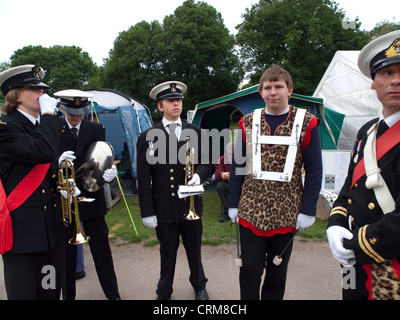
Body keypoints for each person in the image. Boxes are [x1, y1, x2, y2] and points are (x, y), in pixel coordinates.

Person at [228, 65, 323, 300]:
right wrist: (232, 203)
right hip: (251, 210)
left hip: (287, 211)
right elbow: (238, 166)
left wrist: (308, 209)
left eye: (278, 86)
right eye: (267, 87)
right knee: (249, 270)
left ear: (289, 90)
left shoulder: (307, 123)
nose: (273, 92)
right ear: (260, 92)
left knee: (277, 273)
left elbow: (314, 169)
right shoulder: (248, 122)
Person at [326, 30, 400, 300]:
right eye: (387, 73)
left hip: (390, 265)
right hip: (353, 263)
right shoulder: (367, 131)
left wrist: (355, 243)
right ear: (373, 82)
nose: (396, 80)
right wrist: (335, 222)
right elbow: (349, 187)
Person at [137, 81, 210, 300]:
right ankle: (164, 290)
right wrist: (147, 212)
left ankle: (199, 285)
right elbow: (143, 176)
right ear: (160, 106)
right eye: (170, 100)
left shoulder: (195, 132)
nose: (176, 103)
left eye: (178, 100)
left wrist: (199, 175)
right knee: (167, 253)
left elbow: (207, 164)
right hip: (164, 207)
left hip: (191, 206)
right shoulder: (148, 136)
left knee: (194, 251)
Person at [0, 64, 63, 299]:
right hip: (22, 235)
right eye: (34, 89)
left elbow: (50, 172)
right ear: (15, 95)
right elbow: (42, 152)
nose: (42, 94)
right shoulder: (5, 127)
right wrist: (48, 117)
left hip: (50, 231)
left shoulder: (44, 127)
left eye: (43, 89)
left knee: (50, 293)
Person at [55, 89, 120, 300]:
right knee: (66, 255)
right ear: (62, 108)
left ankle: (113, 295)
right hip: (64, 200)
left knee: (102, 250)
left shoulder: (96, 128)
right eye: (73, 113)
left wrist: (108, 174)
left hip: (91, 196)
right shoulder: (54, 128)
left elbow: (100, 157)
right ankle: (68, 297)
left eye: (81, 112)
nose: (77, 117)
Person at [215, 141, 232, 222]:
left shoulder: (242, 159)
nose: (231, 156)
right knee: (220, 186)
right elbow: (217, 172)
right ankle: (227, 212)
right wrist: (222, 174)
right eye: (229, 153)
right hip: (228, 185)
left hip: (240, 185)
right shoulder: (222, 159)